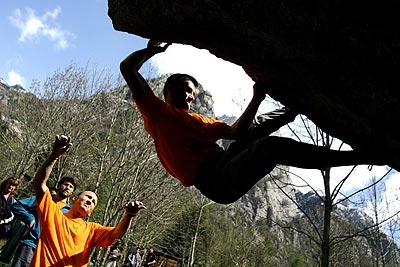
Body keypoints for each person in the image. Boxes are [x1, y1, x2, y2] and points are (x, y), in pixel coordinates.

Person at [120, 40, 387, 205]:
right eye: (186, 89)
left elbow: (237, 132)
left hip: (222, 160)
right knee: (269, 148)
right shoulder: (157, 112)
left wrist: (257, 97)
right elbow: (127, 68)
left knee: (253, 131)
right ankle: (361, 156)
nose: (190, 95)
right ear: (169, 90)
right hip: (215, 182)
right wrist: (151, 50)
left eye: (192, 92)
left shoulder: (199, 120)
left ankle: (293, 109)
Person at [30, 135, 146, 267]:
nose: (90, 201)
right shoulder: (53, 214)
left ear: (90, 213)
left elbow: (117, 233)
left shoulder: (91, 229)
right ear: (74, 199)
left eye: (93, 202)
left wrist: (129, 215)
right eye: (88, 197)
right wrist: (54, 156)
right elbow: (40, 184)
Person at [10, 176, 78, 267]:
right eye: (65, 184)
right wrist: (30, 218)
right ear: (58, 186)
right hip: (31, 244)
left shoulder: (68, 212)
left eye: (71, 187)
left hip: (48, 253)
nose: (67, 188)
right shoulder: (43, 198)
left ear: (72, 192)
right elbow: (16, 205)